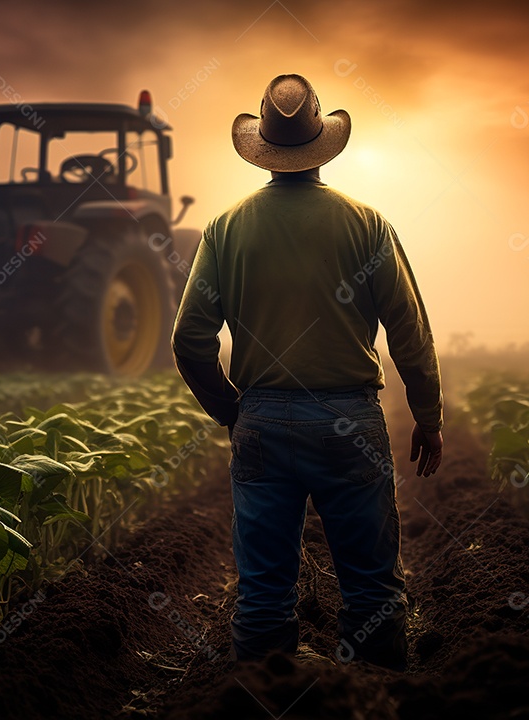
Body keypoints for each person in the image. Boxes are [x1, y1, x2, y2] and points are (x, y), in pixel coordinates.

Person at [171, 73, 443, 671]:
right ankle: (374, 703)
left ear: (263, 149)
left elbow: (189, 340)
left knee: (264, 595)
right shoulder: (368, 224)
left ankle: (260, 704)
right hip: (350, 421)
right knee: (371, 591)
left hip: (263, 420)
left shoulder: (224, 229)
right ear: (324, 143)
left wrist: (233, 410)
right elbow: (410, 334)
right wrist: (427, 416)